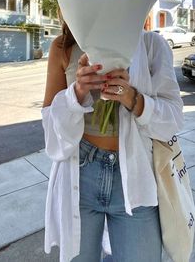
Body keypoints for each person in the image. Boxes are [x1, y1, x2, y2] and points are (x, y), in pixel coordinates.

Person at [42, 20, 184, 262]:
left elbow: (173, 120)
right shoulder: (63, 46)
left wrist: (132, 98)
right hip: (81, 174)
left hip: (135, 177)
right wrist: (76, 94)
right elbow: (49, 125)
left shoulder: (151, 44)